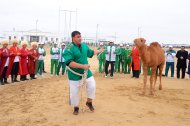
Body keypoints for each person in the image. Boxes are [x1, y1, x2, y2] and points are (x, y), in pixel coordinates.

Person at [63, 31, 103, 115]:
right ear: (73, 38)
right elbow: (69, 63)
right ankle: (76, 107)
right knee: (74, 92)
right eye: (78, 37)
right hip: (74, 75)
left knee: (92, 85)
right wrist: (83, 66)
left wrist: (99, 51)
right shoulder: (68, 49)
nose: (80, 38)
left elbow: (91, 53)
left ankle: (89, 102)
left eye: (80, 36)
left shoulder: (84, 46)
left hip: (86, 73)